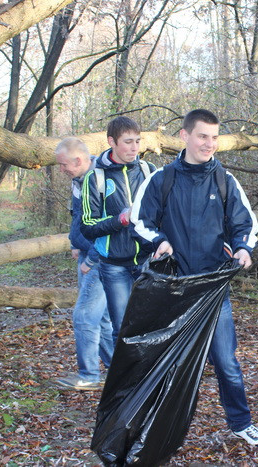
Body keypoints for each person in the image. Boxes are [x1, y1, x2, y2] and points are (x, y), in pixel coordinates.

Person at [130, 109, 258, 448]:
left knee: (226, 362)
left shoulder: (225, 180)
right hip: (173, 288)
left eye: (214, 137)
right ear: (184, 136)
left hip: (212, 290)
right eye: (202, 136)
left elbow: (245, 225)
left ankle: (241, 424)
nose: (209, 143)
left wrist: (243, 249)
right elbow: (140, 220)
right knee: (170, 363)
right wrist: (159, 241)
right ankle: (159, 431)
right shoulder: (162, 179)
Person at [80, 117, 156, 348]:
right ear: (112, 141)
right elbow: (87, 227)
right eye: (128, 142)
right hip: (114, 265)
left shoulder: (148, 170)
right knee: (122, 328)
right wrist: (120, 219)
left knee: (151, 326)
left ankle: (149, 381)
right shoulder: (95, 178)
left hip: (147, 261)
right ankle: (123, 383)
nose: (134, 148)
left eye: (138, 141)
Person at [54, 137, 113, 391]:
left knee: (84, 315)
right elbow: (78, 215)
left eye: (64, 164)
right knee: (102, 319)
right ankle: (119, 370)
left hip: (100, 259)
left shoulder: (101, 180)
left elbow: (110, 227)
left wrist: (92, 259)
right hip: (86, 254)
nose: (61, 169)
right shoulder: (78, 180)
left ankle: (89, 376)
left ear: (79, 160)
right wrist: (74, 244)